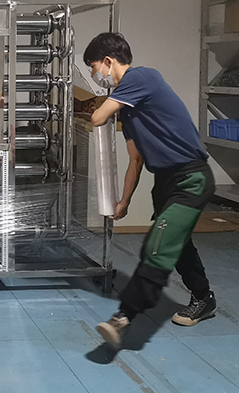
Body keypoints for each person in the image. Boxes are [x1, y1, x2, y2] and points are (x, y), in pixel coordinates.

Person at [83, 32, 216, 349]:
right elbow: (136, 159)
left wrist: (89, 108)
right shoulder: (128, 110)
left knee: (158, 245)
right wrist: (124, 200)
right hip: (166, 181)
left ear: (108, 61)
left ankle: (123, 318)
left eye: (93, 68)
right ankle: (204, 298)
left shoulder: (142, 78)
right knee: (177, 244)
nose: (94, 75)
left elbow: (98, 117)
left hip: (191, 178)